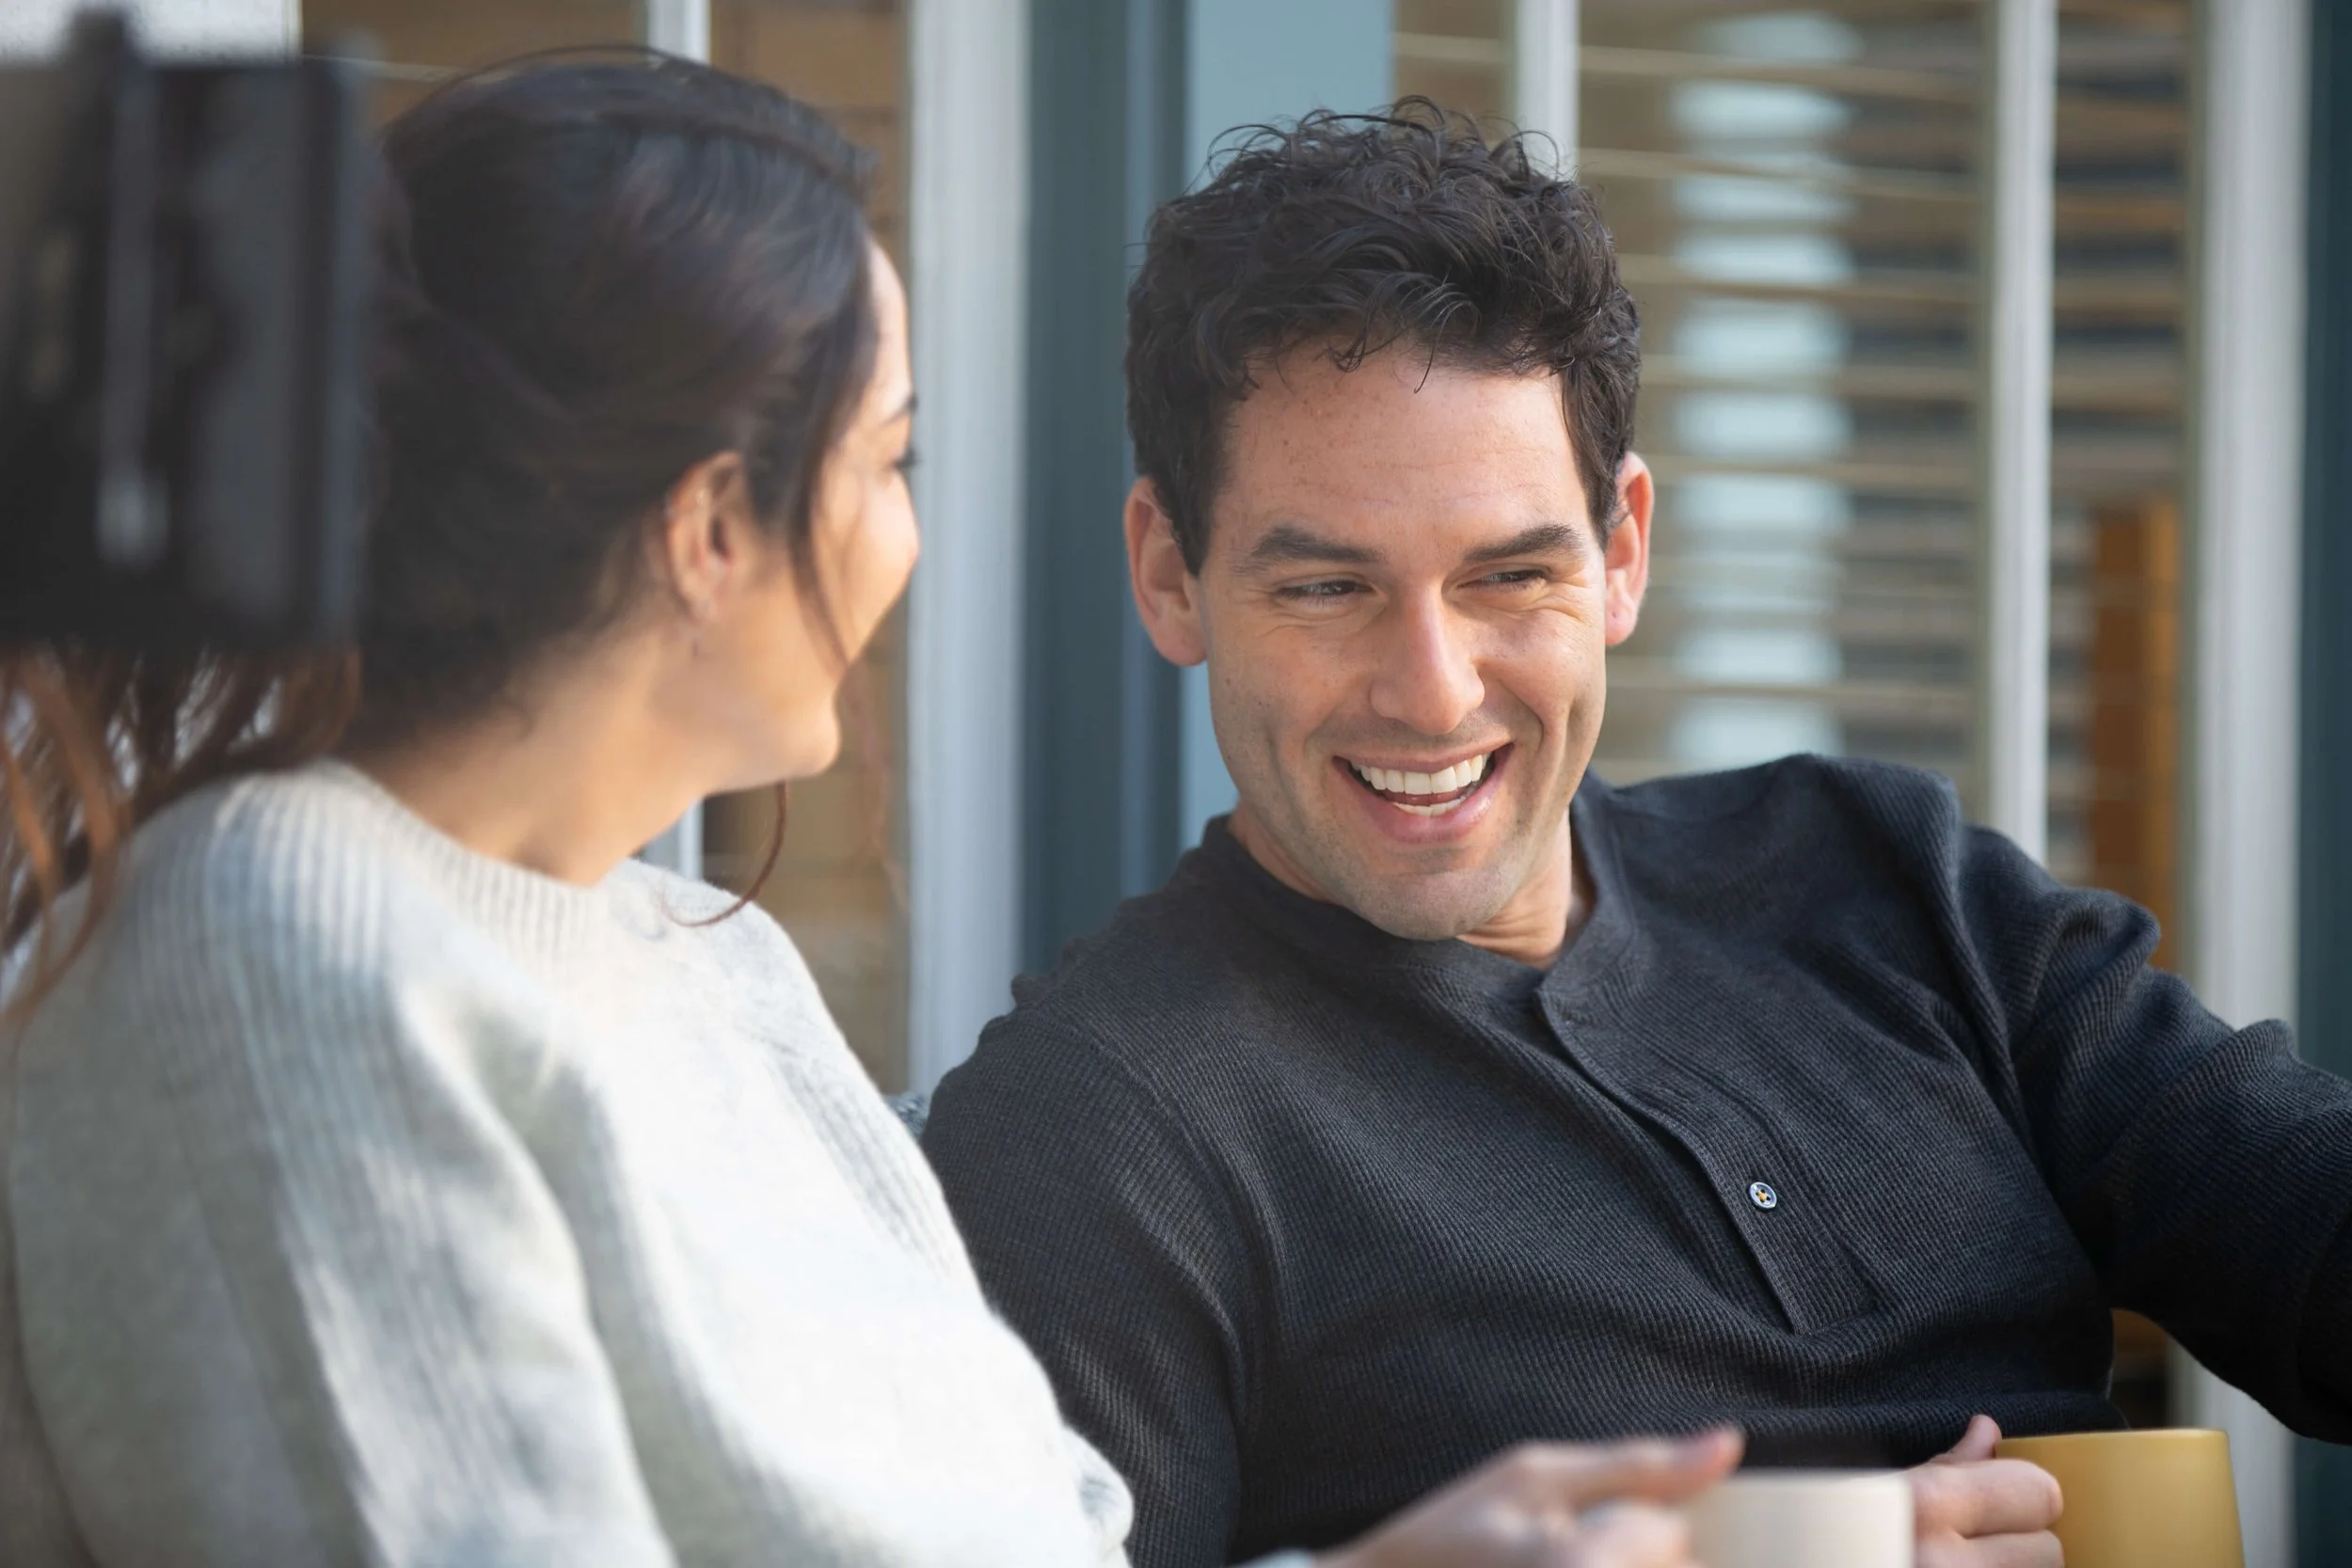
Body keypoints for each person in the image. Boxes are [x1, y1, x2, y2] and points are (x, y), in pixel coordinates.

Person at [0, 59, 1740, 1568]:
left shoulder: (712, 968)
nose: (911, 543)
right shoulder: (276, 948)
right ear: (709, 528)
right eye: (889, 460)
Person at [918, 103, 2352, 1568]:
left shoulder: (1882, 870)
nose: (1433, 690)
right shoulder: (1090, 1134)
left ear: (1622, 552)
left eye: (1510, 575)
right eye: (1328, 588)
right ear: (1171, 575)